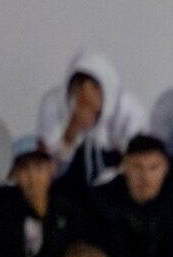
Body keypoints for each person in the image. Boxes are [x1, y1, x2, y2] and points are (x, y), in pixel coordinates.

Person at [35, 50, 148, 194]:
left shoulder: (129, 110)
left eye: (94, 86)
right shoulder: (54, 104)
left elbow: (139, 161)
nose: (85, 92)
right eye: (79, 85)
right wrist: (72, 130)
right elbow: (46, 167)